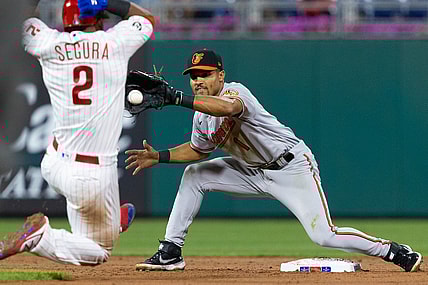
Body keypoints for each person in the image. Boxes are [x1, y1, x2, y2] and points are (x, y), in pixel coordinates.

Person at [124, 49, 423, 272]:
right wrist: (160, 156)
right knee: (195, 174)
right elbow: (199, 150)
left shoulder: (235, 91)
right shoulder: (201, 116)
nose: (198, 80)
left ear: (221, 75)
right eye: (193, 76)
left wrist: (177, 98)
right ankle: (171, 251)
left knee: (324, 235)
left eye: (204, 74)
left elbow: (226, 109)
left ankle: (392, 251)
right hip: (250, 171)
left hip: (291, 167)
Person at [0, 0, 154, 265]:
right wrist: (110, 2)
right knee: (100, 251)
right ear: (97, 20)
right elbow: (148, 19)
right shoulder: (115, 43)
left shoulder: (48, 42)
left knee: (86, 229)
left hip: (54, 162)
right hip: (92, 176)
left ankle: (112, 221)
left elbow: (16, 23)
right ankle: (40, 237)